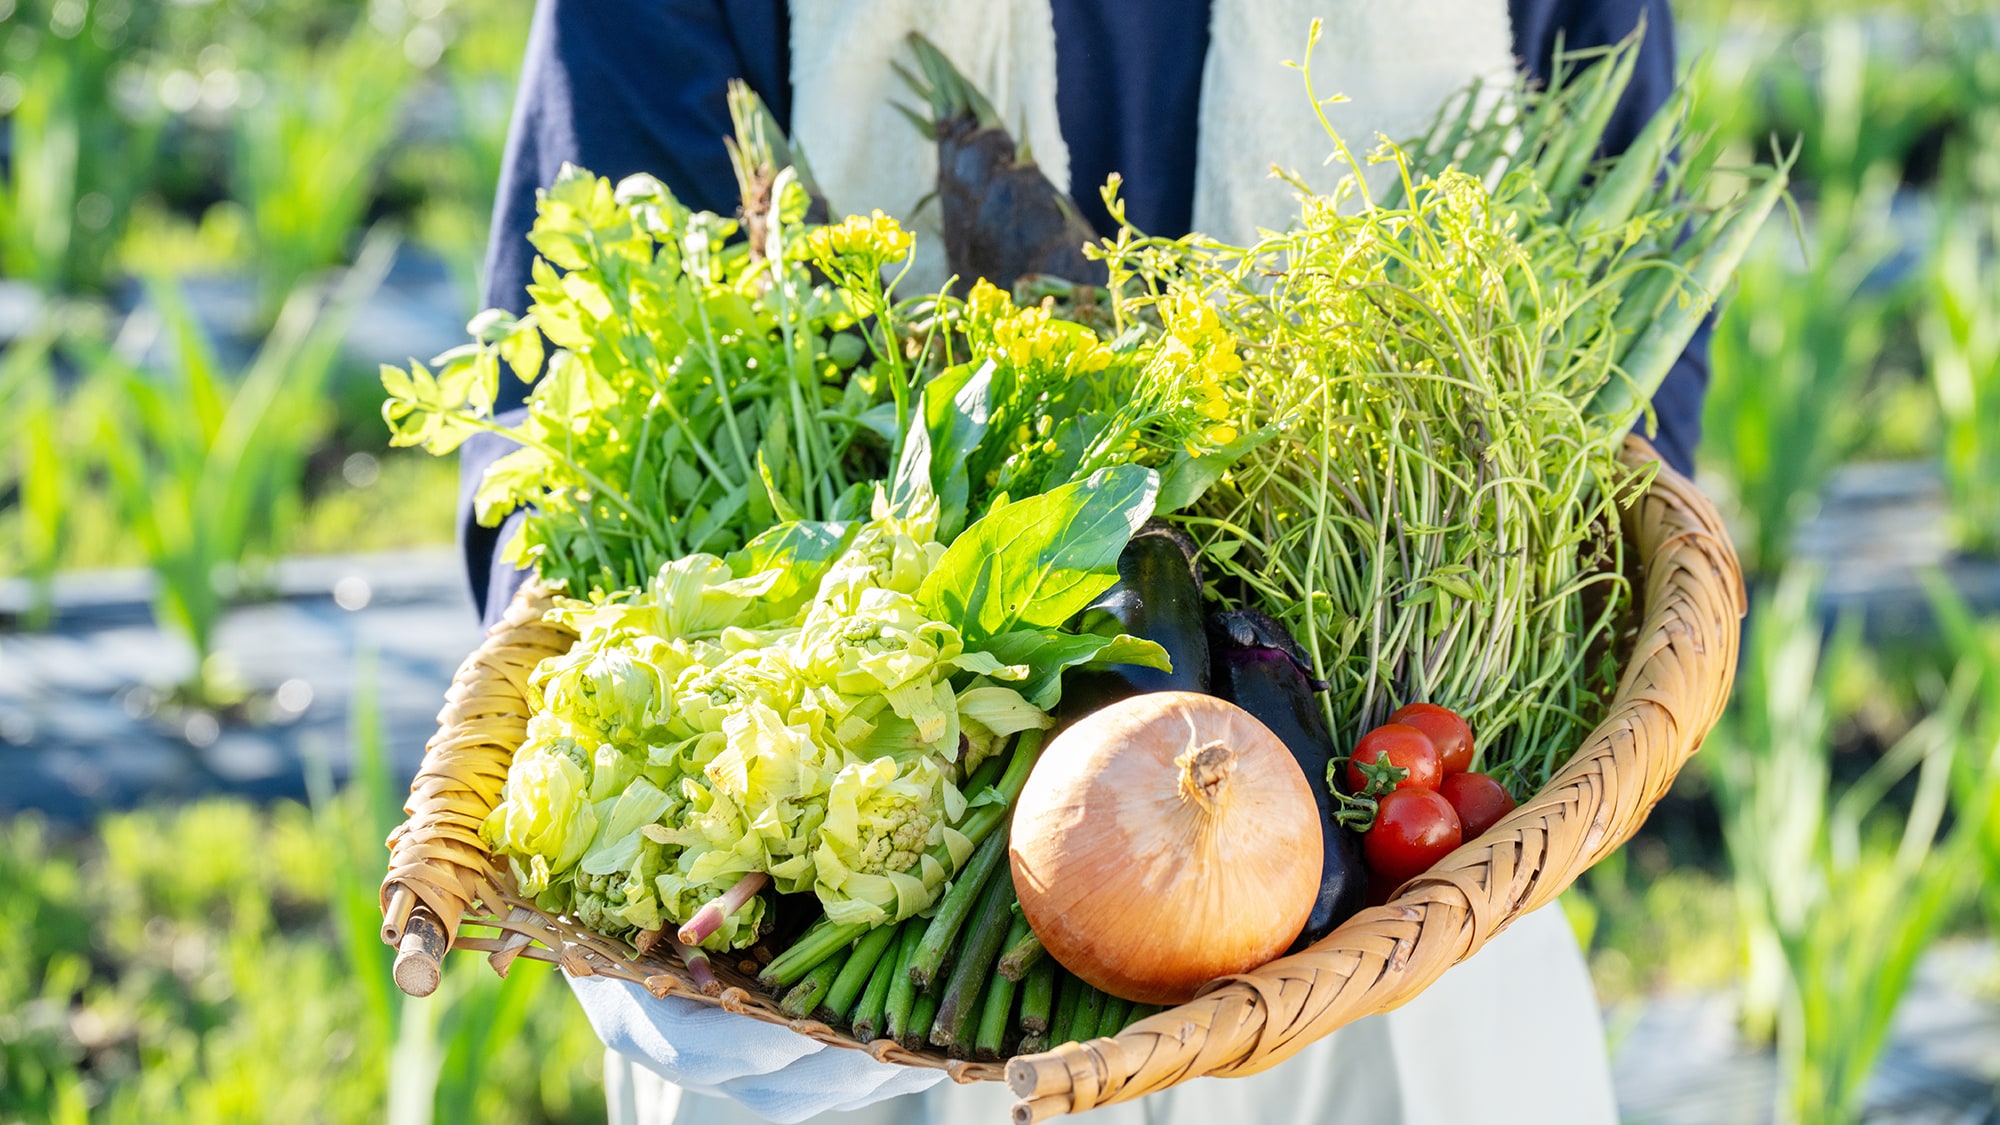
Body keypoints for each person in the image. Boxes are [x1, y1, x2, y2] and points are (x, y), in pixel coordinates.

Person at [460, 2, 1702, 1121]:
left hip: (1398, 941)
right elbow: (562, 405)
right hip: (841, 978)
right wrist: (640, 840)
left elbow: (1619, 361)